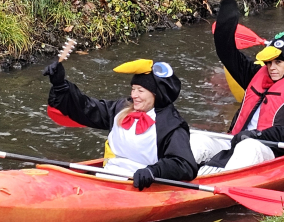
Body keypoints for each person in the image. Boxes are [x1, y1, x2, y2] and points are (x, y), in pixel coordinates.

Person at [191, 0, 284, 175]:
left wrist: (260, 135)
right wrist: (225, 25)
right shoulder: (256, 74)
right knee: (197, 140)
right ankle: (178, 172)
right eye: (269, 63)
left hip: (269, 149)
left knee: (248, 147)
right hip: (236, 140)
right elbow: (228, 55)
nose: (272, 68)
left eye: (278, 62)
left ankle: (212, 183)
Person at [44, 58, 198, 189]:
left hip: (141, 182)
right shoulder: (121, 108)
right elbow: (87, 108)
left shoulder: (171, 126)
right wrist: (61, 86)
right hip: (109, 175)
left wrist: (154, 171)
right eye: (133, 89)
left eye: (140, 91)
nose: (134, 95)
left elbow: (184, 164)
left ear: (156, 94)